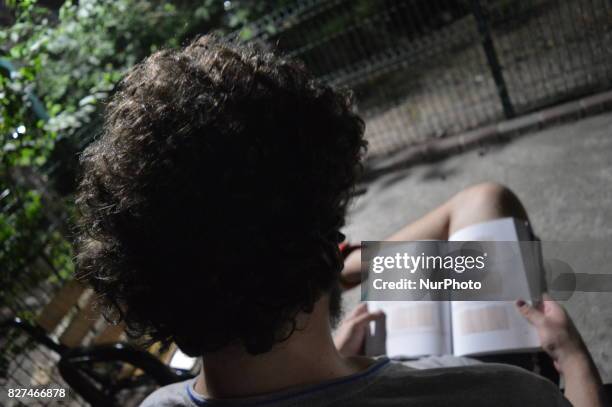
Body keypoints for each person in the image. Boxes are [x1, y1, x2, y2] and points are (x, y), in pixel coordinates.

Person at [75, 35, 606, 407]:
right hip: (444, 352)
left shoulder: (158, 403)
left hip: (326, 330)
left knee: (481, 200)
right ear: (329, 247)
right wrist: (574, 360)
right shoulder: (506, 394)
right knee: (485, 204)